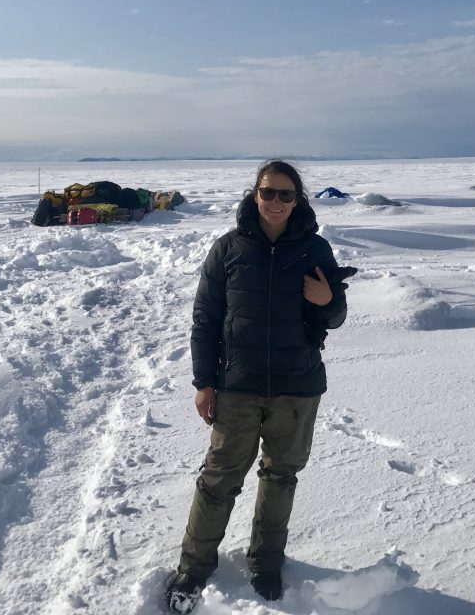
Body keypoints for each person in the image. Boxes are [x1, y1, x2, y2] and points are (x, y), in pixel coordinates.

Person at [166, 160, 354, 613]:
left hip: (297, 386)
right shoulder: (228, 249)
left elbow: (335, 318)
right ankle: (193, 569)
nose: (276, 202)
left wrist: (327, 301)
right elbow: (206, 320)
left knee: (280, 477)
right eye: (268, 193)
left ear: (298, 200)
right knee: (218, 480)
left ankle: (266, 562)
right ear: (255, 195)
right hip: (237, 386)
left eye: (286, 195)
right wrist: (204, 382)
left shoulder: (315, 250)